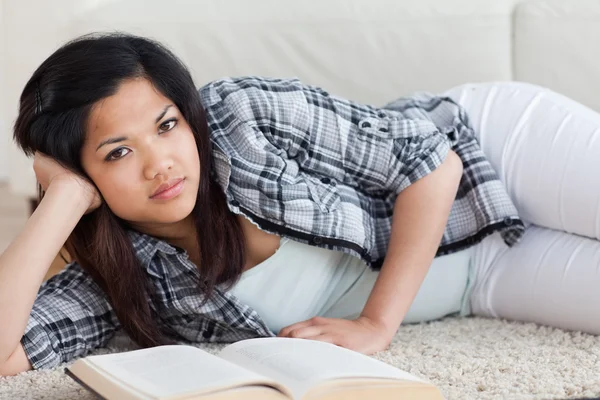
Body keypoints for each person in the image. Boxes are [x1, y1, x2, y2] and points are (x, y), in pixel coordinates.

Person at [1, 31, 585, 376]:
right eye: (117, 152)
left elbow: (431, 164)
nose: (161, 163)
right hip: (483, 279)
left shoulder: (242, 117)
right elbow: (7, 354)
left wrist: (375, 324)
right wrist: (63, 201)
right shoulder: (123, 272)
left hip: (493, 153)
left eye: (167, 124)